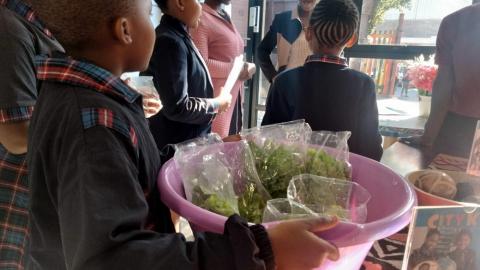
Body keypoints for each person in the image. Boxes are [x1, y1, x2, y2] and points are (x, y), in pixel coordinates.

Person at [27, 0, 340, 269]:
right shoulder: (93, 125)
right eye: (147, 12)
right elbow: (112, 258)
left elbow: (135, 171)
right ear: (124, 30)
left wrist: (206, 152)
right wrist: (263, 247)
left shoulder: (85, 100)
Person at [261, 0, 383, 161]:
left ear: (308, 33)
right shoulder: (364, 85)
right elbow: (371, 150)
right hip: (343, 181)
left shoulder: (283, 82)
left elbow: (267, 142)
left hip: (292, 180)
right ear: (351, 40)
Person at [0, 0, 62, 268]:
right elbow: (15, 136)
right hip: (19, 191)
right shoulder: (9, 28)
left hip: (40, 187)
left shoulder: (40, 25)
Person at [144, 0, 233, 159]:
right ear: (180, 3)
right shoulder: (169, 41)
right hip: (177, 151)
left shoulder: (179, 36)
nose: (202, 7)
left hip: (185, 146)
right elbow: (178, 107)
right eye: (199, 1)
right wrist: (217, 104)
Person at [405, 1, 480, 157]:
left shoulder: (456, 21)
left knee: (446, 180)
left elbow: (444, 86)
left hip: (457, 129)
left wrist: (428, 137)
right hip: (458, 127)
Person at [190, 0, 256, 137]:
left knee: (228, 149)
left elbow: (229, 57)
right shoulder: (201, 17)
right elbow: (200, 64)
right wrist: (236, 69)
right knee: (215, 150)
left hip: (233, 99)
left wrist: (246, 67)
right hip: (215, 101)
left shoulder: (224, 15)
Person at [256, 0, 318, 82]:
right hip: (285, 86)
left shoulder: (323, 23)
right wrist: (273, 77)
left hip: (313, 86)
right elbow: (262, 50)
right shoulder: (282, 19)